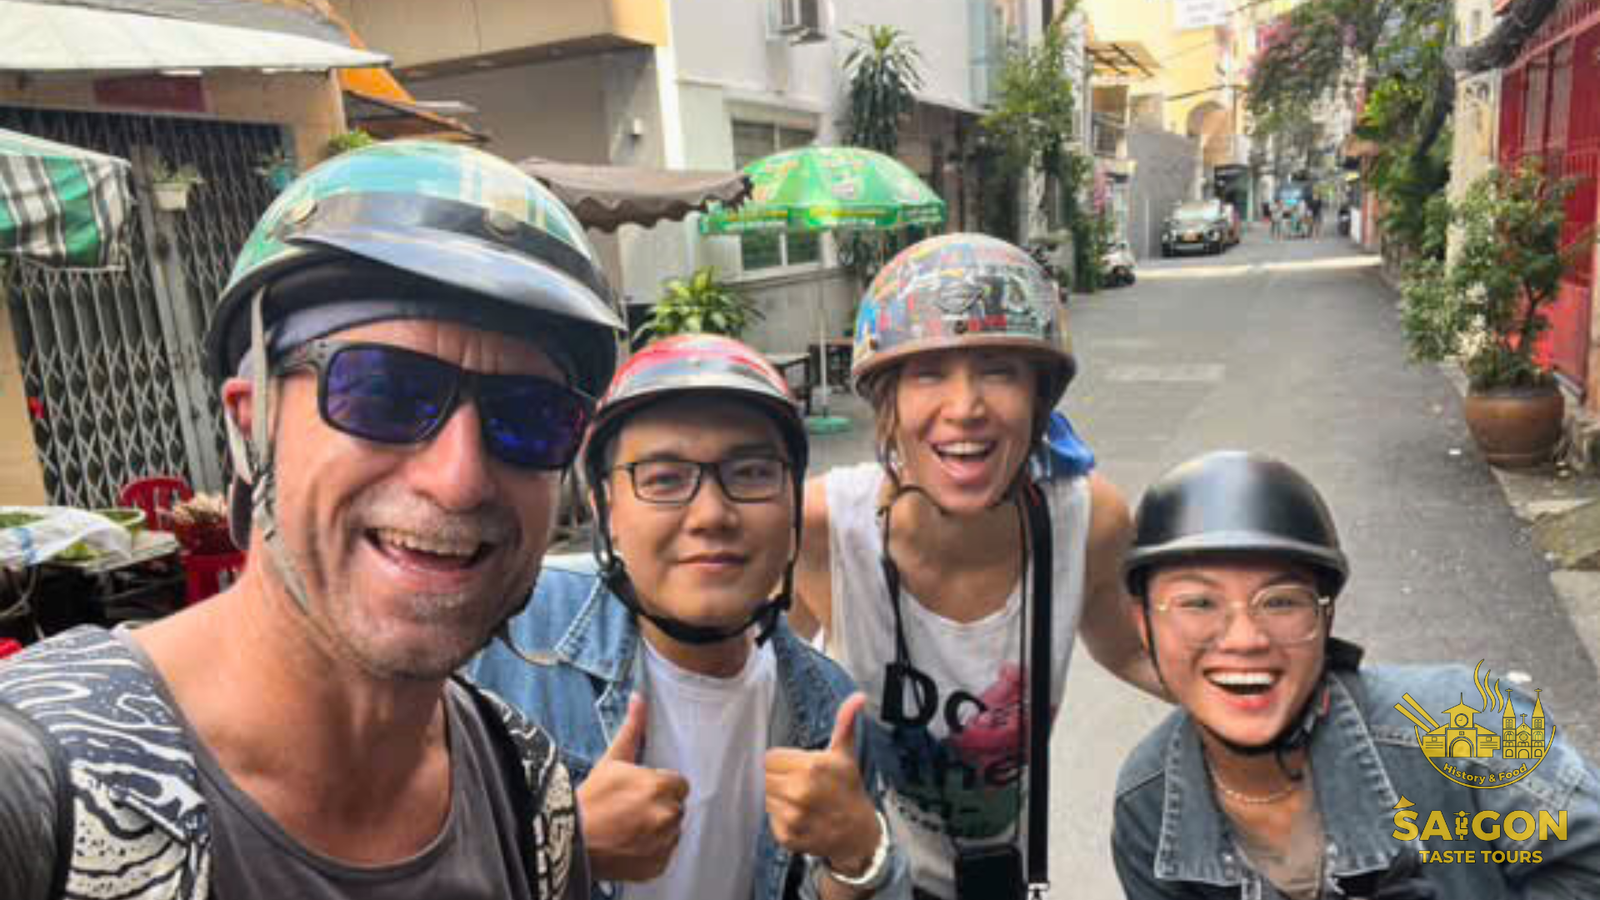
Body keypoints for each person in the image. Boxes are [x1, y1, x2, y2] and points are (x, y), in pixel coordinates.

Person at [0, 141, 625, 900]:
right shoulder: (42, 784)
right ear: (251, 425)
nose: (459, 479)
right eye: (383, 392)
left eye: (530, 418)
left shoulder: (526, 791)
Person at [469, 334, 909, 900]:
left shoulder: (828, 708)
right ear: (606, 509)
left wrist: (858, 857)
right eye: (663, 478)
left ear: (793, 507)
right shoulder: (503, 634)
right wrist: (562, 851)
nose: (711, 514)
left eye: (752, 473)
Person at [789, 233, 1160, 899]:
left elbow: (1130, 649)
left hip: (1003, 880)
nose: (964, 408)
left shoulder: (1086, 521)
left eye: (999, 371)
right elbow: (740, 681)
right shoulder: (822, 529)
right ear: (887, 401)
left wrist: (1290, 690)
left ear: (1039, 398)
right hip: (862, 878)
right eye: (928, 373)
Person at [1113, 450, 1600, 899]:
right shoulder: (1148, 802)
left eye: (1281, 601)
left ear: (1325, 617)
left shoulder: (1466, 720)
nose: (1244, 639)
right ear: (1143, 623)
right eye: (1198, 603)